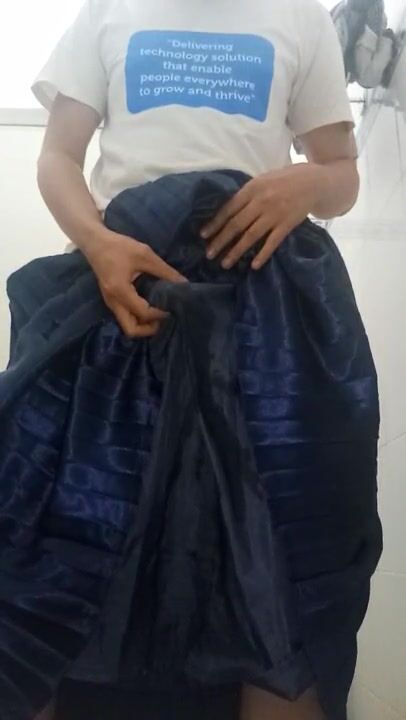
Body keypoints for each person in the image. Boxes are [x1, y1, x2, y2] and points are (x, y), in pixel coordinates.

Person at [6, 0, 380, 718]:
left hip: (263, 315)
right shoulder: (108, 11)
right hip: (118, 289)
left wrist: (307, 183)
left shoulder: (298, 18)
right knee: (47, 529)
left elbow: (341, 171)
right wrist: (98, 242)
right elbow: (57, 157)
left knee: (283, 545)